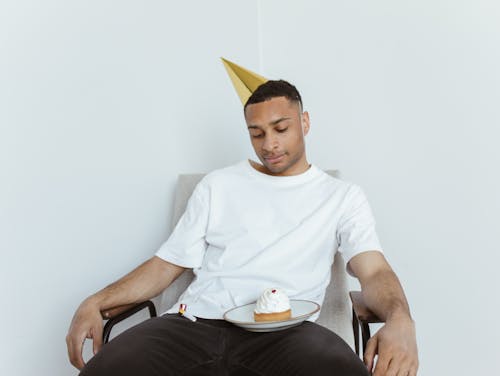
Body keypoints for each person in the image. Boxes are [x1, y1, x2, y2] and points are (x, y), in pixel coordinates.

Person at [66, 79, 418, 376]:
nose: (270, 144)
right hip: (193, 325)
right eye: (257, 133)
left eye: (281, 128)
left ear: (305, 122)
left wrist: (400, 319)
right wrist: (95, 302)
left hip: (286, 333)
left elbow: (373, 271)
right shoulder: (218, 185)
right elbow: (165, 266)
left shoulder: (341, 197)